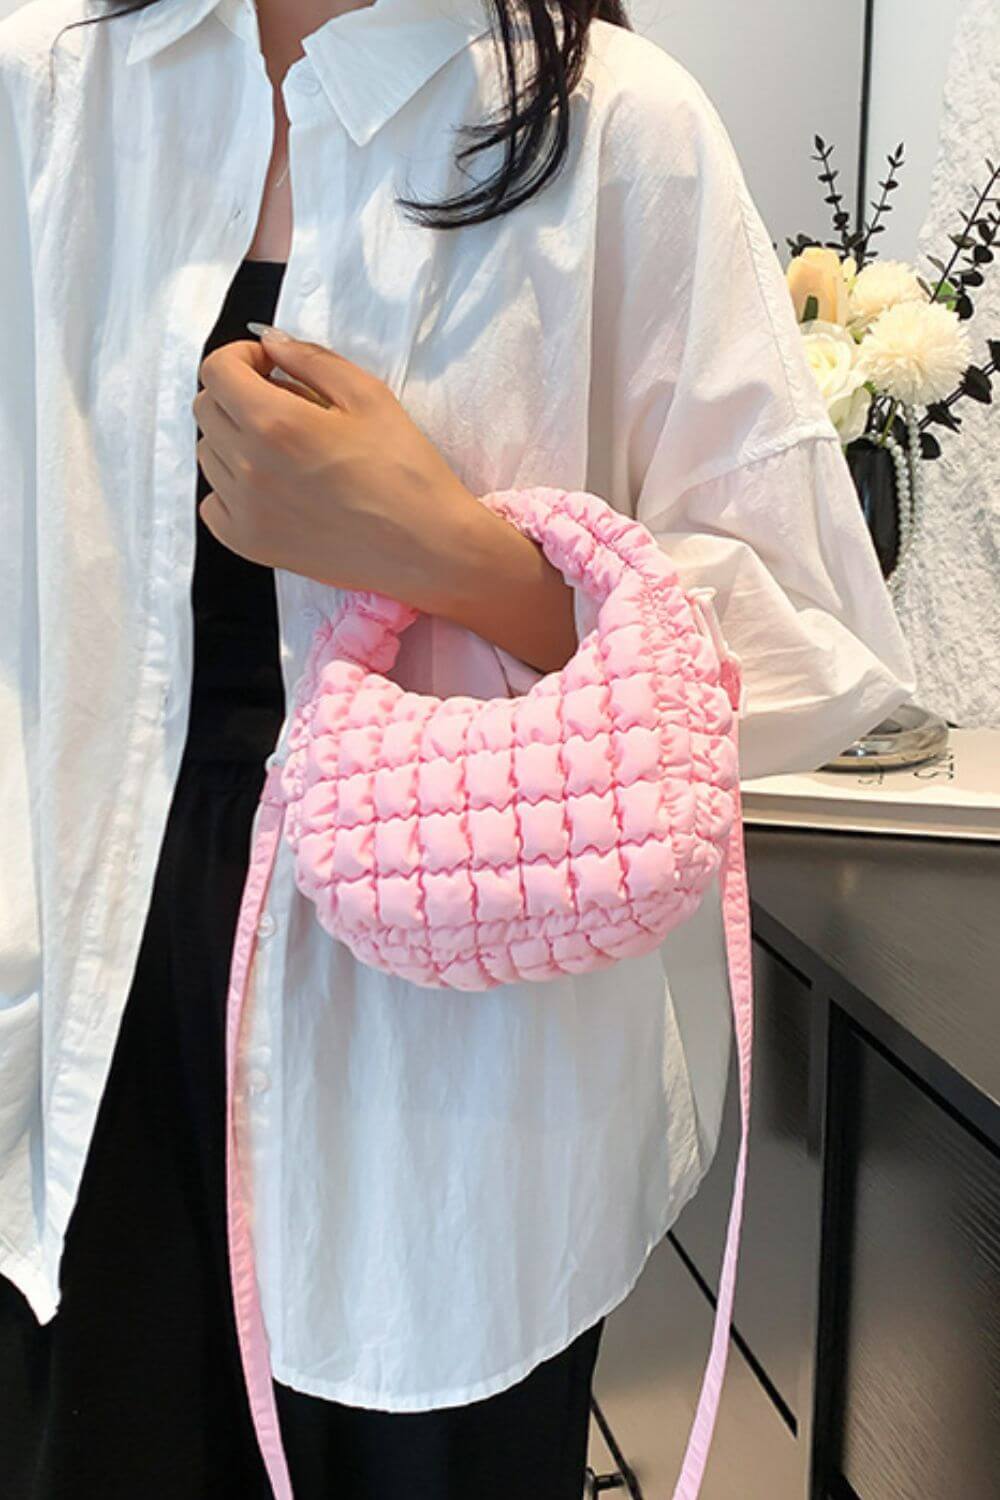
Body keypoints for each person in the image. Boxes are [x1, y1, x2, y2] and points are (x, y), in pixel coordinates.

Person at [0, 1, 916, 1496]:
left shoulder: (616, 127)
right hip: (92, 963)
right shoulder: (48, 92)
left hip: (459, 1012)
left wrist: (459, 556)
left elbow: (811, 628)